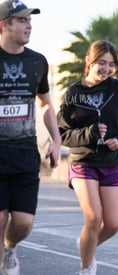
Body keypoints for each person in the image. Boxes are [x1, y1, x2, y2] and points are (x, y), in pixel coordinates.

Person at [57, 40, 118, 274]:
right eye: (101, 63)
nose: (107, 69)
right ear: (89, 61)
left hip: (111, 162)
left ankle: (85, 245)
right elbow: (63, 134)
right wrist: (90, 134)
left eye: (111, 64)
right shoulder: (74, 93)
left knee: (113, 224)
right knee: (93, 219)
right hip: (83, 162)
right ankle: (86, 267)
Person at [0, 1, 61, 274]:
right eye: (22, 20)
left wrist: (56, 141)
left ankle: (9, 249)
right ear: (4, 25)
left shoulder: (37, 62)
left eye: (29, 20)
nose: (29, 25)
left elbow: (46, 104)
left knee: (23, 223)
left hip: (25, 152)